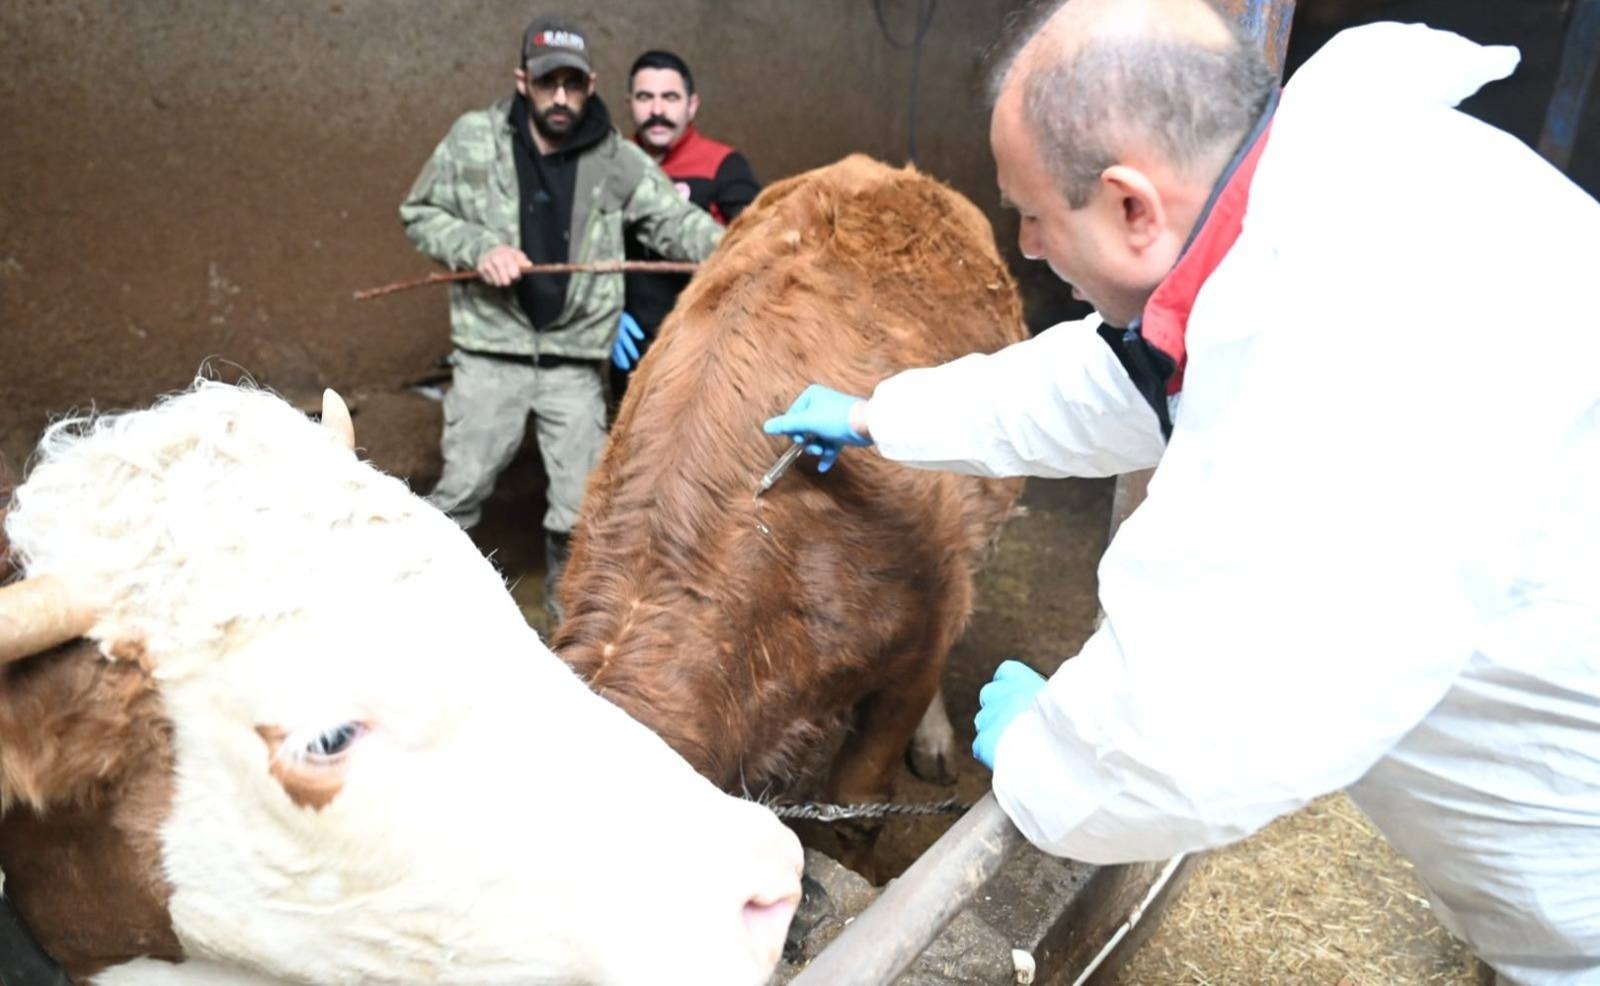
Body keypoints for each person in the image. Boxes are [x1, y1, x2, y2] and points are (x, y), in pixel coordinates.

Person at [763, 0, 1600, 981]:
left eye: (1029, 214)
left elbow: (1223, 711)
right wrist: (877, 417)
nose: (1027, 248)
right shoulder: (1324, 198)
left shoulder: (1344, 336)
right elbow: (1108, 380)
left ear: (1129, 205)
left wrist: (1054, 758)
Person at [400, 15, 724, 624]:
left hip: (574, 360)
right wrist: (477, 248)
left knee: (579, 511)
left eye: (573, 85)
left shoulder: (615, 158)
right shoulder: (474, 138)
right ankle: (428, 619)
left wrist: (747, 249)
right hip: (491, 350)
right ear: (523, 80)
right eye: (548, 83)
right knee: (461, 490)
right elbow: (419, 212)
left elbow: (678, 226)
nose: (560, 98)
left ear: (591, 83)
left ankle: (570, 637)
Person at [611, 49, 761, 401]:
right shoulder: (612, 164)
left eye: (670, 97)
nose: (657, 110)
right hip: (629, 346)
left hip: (701, 347)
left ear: (691, 105)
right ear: (629, 102)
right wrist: (605, 319)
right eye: (646, 97)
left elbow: (755, 248)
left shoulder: (723, 165)